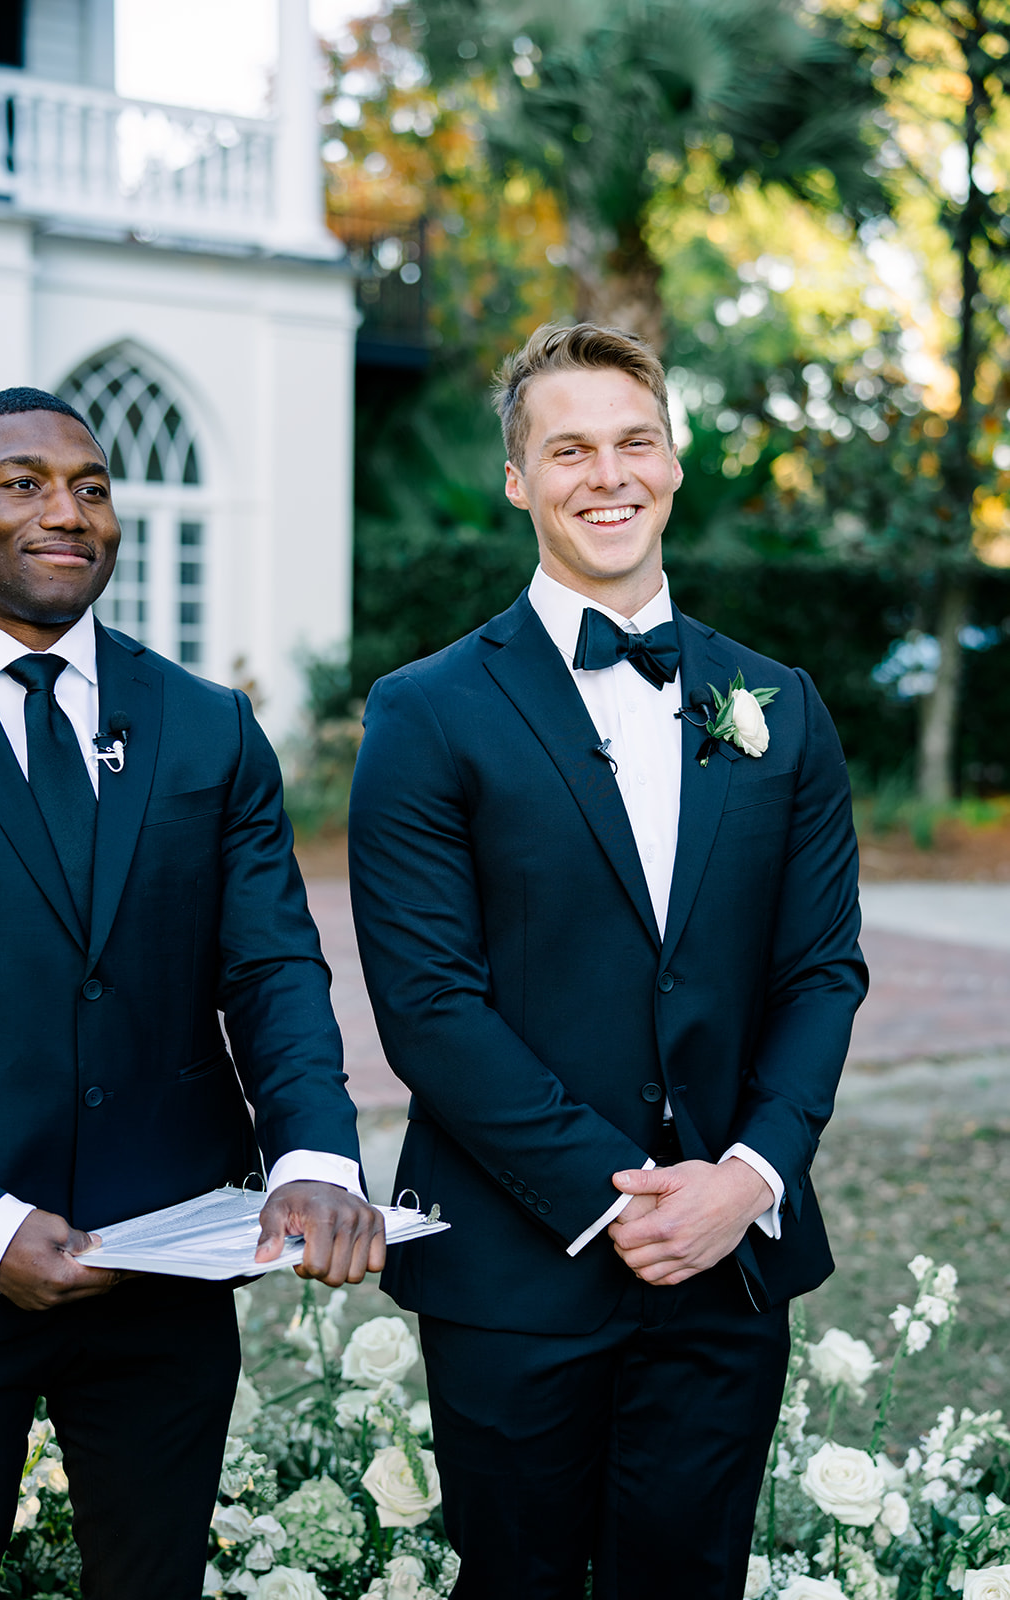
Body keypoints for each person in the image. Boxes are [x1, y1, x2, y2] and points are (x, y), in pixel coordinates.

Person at [348, 323, 868, 1599]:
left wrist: (743, 1179)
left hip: (725, 1263)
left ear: (673, 462)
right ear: (517, 479)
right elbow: (428, 1004)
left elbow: (818, 971)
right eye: (568, 449)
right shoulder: (424, 711)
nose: (607, 474)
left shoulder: (779, 703)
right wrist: (615, 1197)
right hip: (512, 1267)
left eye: (634, 441)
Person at [0, 388, 386, 1600]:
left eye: (91, 487)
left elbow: (271, 966)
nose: (69, 511)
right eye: (24, 483)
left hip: (164, 1265)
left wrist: (314, 1160)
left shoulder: (205, 727)